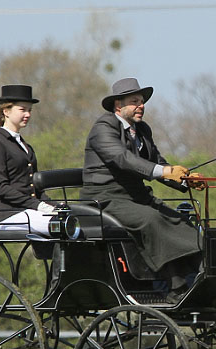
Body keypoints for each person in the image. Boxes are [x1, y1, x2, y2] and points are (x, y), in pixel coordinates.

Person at [81, 77, 204, 303]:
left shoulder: (142, 130)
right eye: (135, 101)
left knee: (179, 220)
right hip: (105, 199)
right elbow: (123, 158)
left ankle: (199, 274)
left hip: (136, 197)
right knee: (152, 220)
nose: (141, 106)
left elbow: (157, 161)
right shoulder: (103, 128)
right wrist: (165, 172)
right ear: (119, 106)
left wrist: (185, 181)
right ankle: (175, 289)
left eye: (142, 101)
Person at [0, 84, 56, 236]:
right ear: (6, 111)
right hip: (8, 214)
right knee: (60, 226)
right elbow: (1, 188)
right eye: (22, 110)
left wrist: (54, 205)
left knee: (70, 218)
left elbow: (35, 187)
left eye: (30, 110)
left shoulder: (26, 146)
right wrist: (37, 205)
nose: (28, 114)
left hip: (30, 211)